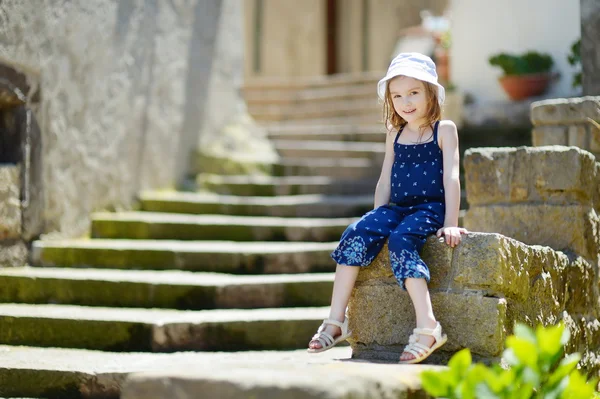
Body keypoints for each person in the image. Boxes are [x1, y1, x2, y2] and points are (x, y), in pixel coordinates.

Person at [307, 52, 468, 364]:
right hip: (397, 207)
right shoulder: (394, 133)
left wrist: (450, 220)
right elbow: (384, 179)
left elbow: (451, 176)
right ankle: (336, 320)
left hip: (429, 208)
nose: (405, 102)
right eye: (397, 96)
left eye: (413, 93)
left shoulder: (444, 130)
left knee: (401, 240)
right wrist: (376, 217)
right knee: (354, 233)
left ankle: (428, 326)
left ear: (430, 92)